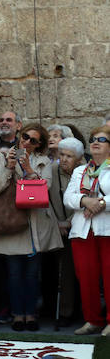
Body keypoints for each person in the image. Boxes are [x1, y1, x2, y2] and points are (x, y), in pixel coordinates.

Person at [0, 123, 62, 331]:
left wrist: (30, 170)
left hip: (34, 223)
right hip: (12, 221)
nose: (27, 141)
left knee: (32, 274)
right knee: (13, 274)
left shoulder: (43, 161)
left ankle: (30, 314)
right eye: (25, 136)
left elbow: (46, 188)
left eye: (33, 140)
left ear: (39, 144)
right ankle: (17, 314)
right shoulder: (2, 157)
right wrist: (9, 168)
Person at [64, 126, 110, 336]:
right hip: (82, 231)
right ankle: (92, 320)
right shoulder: (80, 170)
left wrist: (99, 203)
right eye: (93, 139)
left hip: (106, 230)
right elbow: (69, 197)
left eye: (102, 139)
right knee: (86, 276)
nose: (95, 142)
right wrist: (85, 201)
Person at [44, 137, 85, 328]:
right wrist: (58, 222)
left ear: (78, 159)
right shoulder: (52, 170)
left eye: (69, 156)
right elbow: (47, 199)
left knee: (79, 271)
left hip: (79, 225)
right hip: (56, 226)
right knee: (62, 271)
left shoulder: (85, 171)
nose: (64, 159)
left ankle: (82, 311)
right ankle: (64, 312)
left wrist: (69, 222)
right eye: (62, 155)